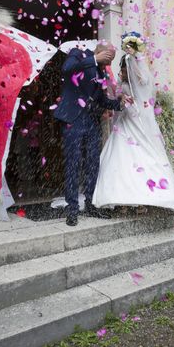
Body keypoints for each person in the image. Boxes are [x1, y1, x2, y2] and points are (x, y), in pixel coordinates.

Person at [93, 35, 174, 212]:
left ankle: (141, 199)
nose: (122, 73)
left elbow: (143, 83)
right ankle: (123, 200)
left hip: (137, 121)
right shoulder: (122, 84)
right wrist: (120, 96)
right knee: (122, 157)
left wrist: (134, 56)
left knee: (137, 157)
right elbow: (116, 97)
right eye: (123, 70)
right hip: (126, 120)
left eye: (124, 70)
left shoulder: (141, 81)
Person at [54, 41, 133, 226]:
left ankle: (90, 204)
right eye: (108, 58)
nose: (109, 64)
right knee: (73, 164)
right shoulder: (78, 55)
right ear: (100, 51)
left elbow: (101, 100)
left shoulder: (101, 71)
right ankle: (72, 209)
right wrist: (93, 59)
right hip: (73, 119)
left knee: (93, 164)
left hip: (91, 121)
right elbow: (66, 69)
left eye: (111, 60)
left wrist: (119, 102)